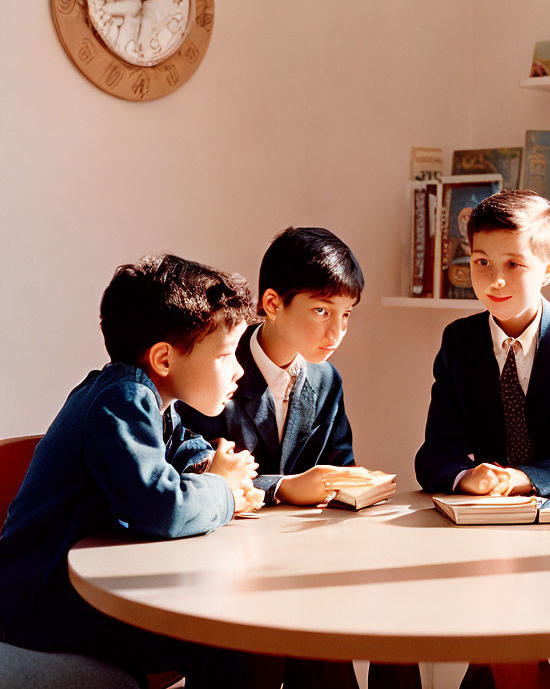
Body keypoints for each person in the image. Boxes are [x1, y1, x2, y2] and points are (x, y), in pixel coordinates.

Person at [0, 254, 267, 687]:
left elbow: (198, 462)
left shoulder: (157, 404)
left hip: (77, 598)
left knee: (235, 633)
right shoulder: (122, 398)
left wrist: (271, 487)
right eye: (225, 354)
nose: (238, 370)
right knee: (227, 636)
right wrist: (224, 489)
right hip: (46, 609)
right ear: (164, 358)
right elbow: (162, 506)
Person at [177, 227, 416, 689]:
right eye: (322, 311)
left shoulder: (326, 380)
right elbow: (193, 469)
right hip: (220, 571)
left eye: (346, 315)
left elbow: (338, 467)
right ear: (270, 303)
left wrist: (353, 486)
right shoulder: (215, 365)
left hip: (301, 561)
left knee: (371, 631)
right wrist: (285, 485)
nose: (336, 331)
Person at [415, 189, 550, 689]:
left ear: (548, 268)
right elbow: (434, 453)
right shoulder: (459, 342)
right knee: (500, 645)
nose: (495, 280)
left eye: (514, 264)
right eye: (481, 262)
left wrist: (517, 479)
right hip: (486, 531)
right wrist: (468, 476)